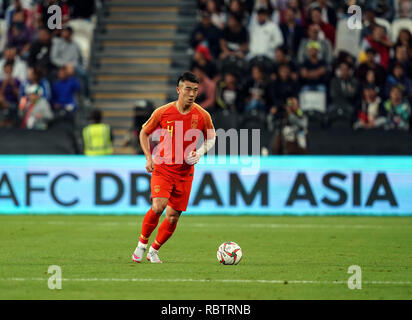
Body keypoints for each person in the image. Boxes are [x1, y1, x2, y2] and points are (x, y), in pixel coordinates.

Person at [131, 71, 216, 263]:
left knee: (173, 216)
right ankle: (142, 244)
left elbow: (212, 137)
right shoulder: (162, 112)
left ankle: (154, 250)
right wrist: (148, 158)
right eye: (188, 89)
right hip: (163, 168)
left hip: (185, 173)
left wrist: (200, 152)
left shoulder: (202, 115)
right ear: (178, 90)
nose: (192, 94)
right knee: (159, 205)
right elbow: (144, 133)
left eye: (195, 90)